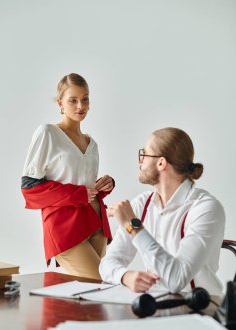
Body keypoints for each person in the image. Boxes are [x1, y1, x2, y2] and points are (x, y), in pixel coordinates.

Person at [99, 127, 225, 295]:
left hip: (201, 309)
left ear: (161, 163)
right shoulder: (142, 204)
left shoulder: (206, 209)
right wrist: (125, 276)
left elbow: (177, 280)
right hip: (157, 304)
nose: (139, 161)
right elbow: (107, 264)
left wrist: (133, 225)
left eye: (144, 154)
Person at [21, 73, 114, 280]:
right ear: (60, 102)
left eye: (85, 98)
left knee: (92, 296)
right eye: (73, 100)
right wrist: (77, 194)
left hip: (96, 221)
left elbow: (86, 186)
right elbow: (29, 188)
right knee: (99, 281)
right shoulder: (48, 133)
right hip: (65, 226)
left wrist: (106, 185)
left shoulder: (92, 144)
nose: (80, 105)